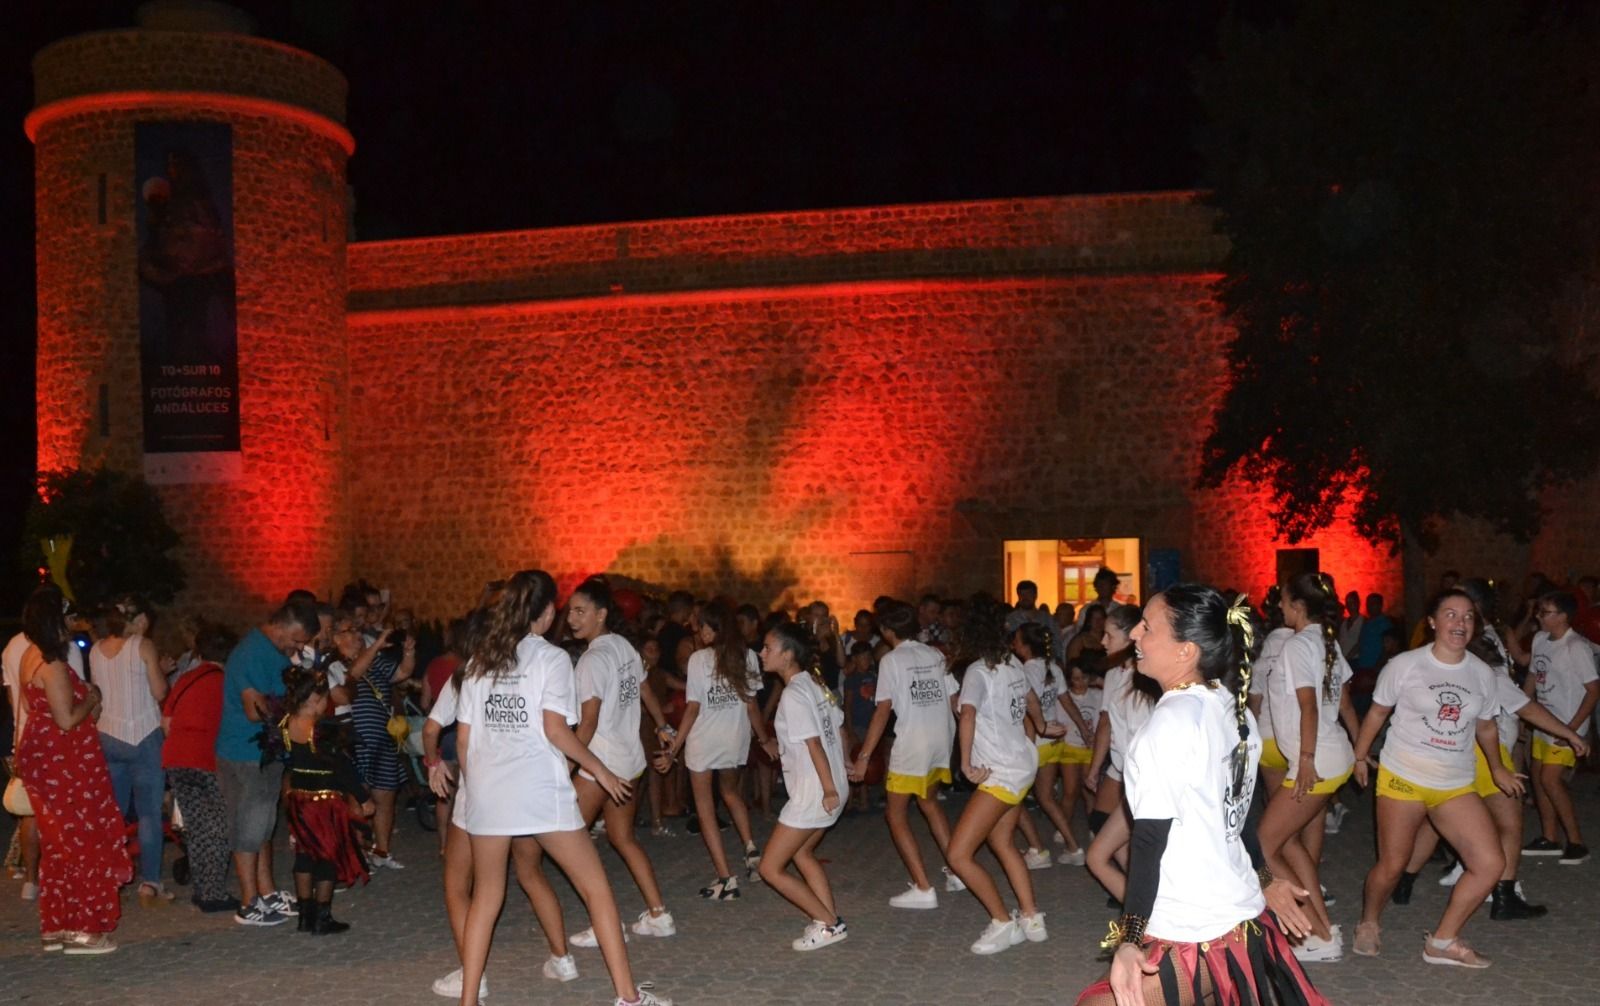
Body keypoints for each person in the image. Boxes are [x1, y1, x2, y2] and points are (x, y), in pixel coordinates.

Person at [1074, 585, 1325, 1006]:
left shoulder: (1169, 725)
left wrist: (1129, 940)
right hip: (1237, 915)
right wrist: (1263, 878)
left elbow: (1149, 841)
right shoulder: (1234, 708)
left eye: (1147, 628)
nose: (1135, 634)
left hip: (1197, 928)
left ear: (1185, 651)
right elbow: (1238, 812)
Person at [455, 570, 670, 1006]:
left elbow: (463, 741)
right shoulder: (552, 659)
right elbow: (557, 730)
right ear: (548, 611)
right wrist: (601, 771)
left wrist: (476, 790)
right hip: (539, 792)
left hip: (489, 795)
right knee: (596, 890)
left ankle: (468, 1001)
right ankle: (627, 997)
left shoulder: (480, 661)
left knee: (486, 897)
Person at [1349, 589, 1523, 966]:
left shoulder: (1480, 672)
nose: (1459, 623)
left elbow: (1487, 727)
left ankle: (1442, 942)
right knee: (1394, 864)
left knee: (1490, 863)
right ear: (1431, 621)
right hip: (1404, 775)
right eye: (1450, 614)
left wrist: (1497, 768)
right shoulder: (1406, 665)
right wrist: (1360, 755)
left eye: (1467, 617)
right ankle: (1369, 921)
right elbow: (1377, 713)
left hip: (1455, 782)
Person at [1401, 578, 1590, 919]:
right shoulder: (1478, 644)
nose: (1460, 621)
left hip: (1459, 744)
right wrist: (1568, 732)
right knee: (1508, 819)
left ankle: (1402, 882)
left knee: (1438, 816)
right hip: (1483, 743)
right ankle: (1504, 894)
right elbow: (1516, 700)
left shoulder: (1466, 642)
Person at [13, 587, 132, 954]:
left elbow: (35, 713)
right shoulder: (52, 665)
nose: (71, 625)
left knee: (60, 846)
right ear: (55, 621)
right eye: (66, 618)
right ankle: (84, 929)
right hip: (67, 765)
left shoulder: (29, 658)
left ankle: (59, 926)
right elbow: (66, 719)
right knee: (84, 843)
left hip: (49, 761)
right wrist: (93, 698)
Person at [947, 599, 1065, 954]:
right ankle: (1031, 916)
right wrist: (1042, 725)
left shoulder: (977, 673)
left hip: (1001, 772)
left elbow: (966, 715)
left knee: (958, 855)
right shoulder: (1012, 663)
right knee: (1001, 843)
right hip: (1022, 764)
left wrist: (966, 765)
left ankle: (1002, 922)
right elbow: (1030, 697)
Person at [565, 576, 678, 947]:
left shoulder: (592, 660)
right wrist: (662, 726)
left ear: (601, 614)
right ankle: (659, 915)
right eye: (570, 611)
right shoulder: (625, 648)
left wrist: (565, 767)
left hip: (600, 765)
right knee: (622, 838)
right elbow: (644, 687)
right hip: (630, 761)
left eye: (580, 611)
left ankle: (604, 925)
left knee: (572, 842)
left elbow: (589, 720)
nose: (572, 619)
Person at [1256, 573, 1358, 963]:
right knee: (1290, 842)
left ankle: (1316, 934)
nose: (1279, 607)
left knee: (1263, 846)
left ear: (1298, 606)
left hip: (1317, 760)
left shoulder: (1299, 645)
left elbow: (1309, 706)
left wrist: (1305, 761)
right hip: (1334, 755)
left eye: (1284, 601)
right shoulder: (1326, 641)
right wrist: (1360, 754)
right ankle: (1324, 928)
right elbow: (1345, 702)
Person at [848, 601, 964, 908]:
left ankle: (924, 888)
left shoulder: (891, 661)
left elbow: (882, 709)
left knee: (895, 814)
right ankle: (958, 870)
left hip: (913, 744)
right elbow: (956, 700)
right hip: (941, 740)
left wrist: (863, 757)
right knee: (928, 803)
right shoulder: (934, 654)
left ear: (886, 631)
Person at [216, 598, 319, 927]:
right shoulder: (253, 653)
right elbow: (254, 709)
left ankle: (267, 892)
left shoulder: (268, 652)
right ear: (282, 625)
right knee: (248, 828)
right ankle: (249, 903)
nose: (298, 646)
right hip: (247, 753)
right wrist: (293, 710)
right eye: (297, 638)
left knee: (261, 826)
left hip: (259, 753)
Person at [657, 600, 769, 900]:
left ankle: (725, 879)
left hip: (704, 741)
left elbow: (692, 709)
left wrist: (674, 749)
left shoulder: (698, 660)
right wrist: (764, 738)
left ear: (713, 628)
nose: (698, 630)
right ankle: (751, 848)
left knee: (706, 808)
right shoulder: (748, 656)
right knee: (731, 793)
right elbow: (752, 705)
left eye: (702, 625)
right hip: (734, 738)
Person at [755, 621, 851, 950]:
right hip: (829, 782)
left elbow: (813, 744)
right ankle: (828, 922)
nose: (761, 653)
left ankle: (830, 923)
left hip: (815, 790)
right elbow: (838, 728)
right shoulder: (814, 683)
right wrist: (845, 765)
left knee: (769, 867)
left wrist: (828, 789)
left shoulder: (794, 694)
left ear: (787, 654)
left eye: (768, 648)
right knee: (803, 852)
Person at [2, 588, 83, 904]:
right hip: (58, 744)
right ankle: (62, 888)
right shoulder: (57, 652)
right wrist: (92, 700)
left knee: (32, 817)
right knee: (63, 820)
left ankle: (32, 879)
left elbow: (15, 698)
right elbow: (71, 706)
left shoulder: (14, 649)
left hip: (26, 738)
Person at [279, 664, 373, 934]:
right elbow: (340, 767)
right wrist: (362, 796)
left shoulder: (285, 724)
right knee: (327, 856)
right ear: (315, 699)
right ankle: (322, 916)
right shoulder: (319, 731)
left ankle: (304, 914)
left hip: (298, 800)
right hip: (323, 804)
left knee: (304, 853)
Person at [88, 602, 170, 906]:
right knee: (148, 812)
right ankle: (150, 881)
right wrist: (162, 671)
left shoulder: (96, 649)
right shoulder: (143, 645)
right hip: (144, 734)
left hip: (108, 734)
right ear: (139, 619)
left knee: (113, 812)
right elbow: (160, 692)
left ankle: (108, 875)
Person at [1519, 591, 1598, 864]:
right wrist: (1524, 710)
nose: (1539, 616)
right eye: (1540, 611)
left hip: (1566, 723)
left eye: (1546, 612)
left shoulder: (1575, 646)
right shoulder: (1541, 639)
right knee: (1539, 776)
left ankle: (1577, 842)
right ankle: (1550, 837)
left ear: (1563, 616)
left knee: (1551, 780)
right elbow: (1533, 675)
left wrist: (1573, 730)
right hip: (1544, 721)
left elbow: (1593, 690)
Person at [161, 622, 235, 912]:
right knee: (218, 826)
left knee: (197, 826)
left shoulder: (185, 679)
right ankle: (212, 893)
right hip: (206, 760)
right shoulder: (226, 682)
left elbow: (166, 724)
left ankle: (202, 889)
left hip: (176, 759)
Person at [1086, 604, 1153, 905]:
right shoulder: (1116, 673)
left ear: (1130, 637)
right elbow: (1107, 724)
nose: (1102, 641)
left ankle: (1146, 910)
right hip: (1123, 770)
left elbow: (1146, 736)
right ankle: (1141, 903)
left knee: (1103, 852)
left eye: (1108, 634)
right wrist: (1097, 767)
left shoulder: (1144, 677)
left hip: (1144, 778)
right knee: (1101, 838)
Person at [1013, 620, 1093, 866]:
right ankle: (1073, 846)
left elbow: (1029, 709)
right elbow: (1066, 702)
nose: (1013, 642)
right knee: (1046, 798)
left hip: (1035, 741)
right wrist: (1082, 728)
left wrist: (1025, 745)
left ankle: (1037, 850)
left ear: (1025, 645)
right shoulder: (1053, 667)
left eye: (1016, 638)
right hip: (1054, 741)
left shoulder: (1025, 670)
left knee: (1012, 797)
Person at [349, 620, 415, 870]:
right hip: (356, 742)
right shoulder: (340, 664)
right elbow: (354, 674)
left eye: (357, 633)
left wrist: (409, 650)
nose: (357, 637)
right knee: (358, 800)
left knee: (385, 796)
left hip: (383, 740)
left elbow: (403, 672)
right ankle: (358, 854)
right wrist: (376, 644)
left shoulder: (376, 661)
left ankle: (382, 851)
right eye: (350, 632)